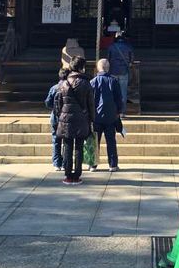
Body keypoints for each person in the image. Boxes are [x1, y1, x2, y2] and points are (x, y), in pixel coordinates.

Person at [54, 56, 95, 185]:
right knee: (79, 147)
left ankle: (67, 174)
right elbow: (91, 104)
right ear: (82, 68)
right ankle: (77, 174)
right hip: (82, 119)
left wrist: (60, 115)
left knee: (67, 146)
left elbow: (57, 103)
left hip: (65, 119)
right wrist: (92, 119)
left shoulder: (64, 83)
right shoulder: (86, 84)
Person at [90, 58, 123, 172]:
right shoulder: (113, 81)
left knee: (95, 141)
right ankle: (112, 164)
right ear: (108, 68)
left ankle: (93, 164)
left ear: (98, 68)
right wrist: (119, 112)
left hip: (96, 117)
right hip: (110, 116)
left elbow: (89, 101)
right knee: (111, 141)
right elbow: (119, 99)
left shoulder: (93, 82)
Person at [107, 31, 134, 115]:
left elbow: (108, 58)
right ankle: (122, 112)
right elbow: (131, 59)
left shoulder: (111, 47)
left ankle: (113, 111)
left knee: (112, 92)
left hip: (113, 70)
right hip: (124, 71)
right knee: (123, 92)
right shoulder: (128, 47)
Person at [45, 69, 66, 171]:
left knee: (56, 140)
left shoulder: (54, 88)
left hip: (55, 116)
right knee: (67, 140)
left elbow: (48, 102)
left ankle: (57, 163)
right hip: (66, 117)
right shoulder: (69, 88)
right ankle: (66, 161)